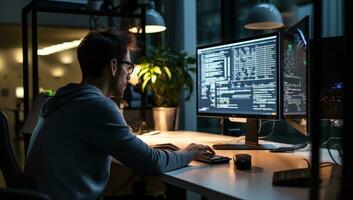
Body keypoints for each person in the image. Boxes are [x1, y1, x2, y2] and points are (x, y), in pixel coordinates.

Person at [24, 30, 214, 200]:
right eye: (129, 67)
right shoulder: (96, 106)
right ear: (114, 66)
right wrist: (189, 152)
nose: (129, 75)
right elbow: (151, 163)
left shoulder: (63, 99)